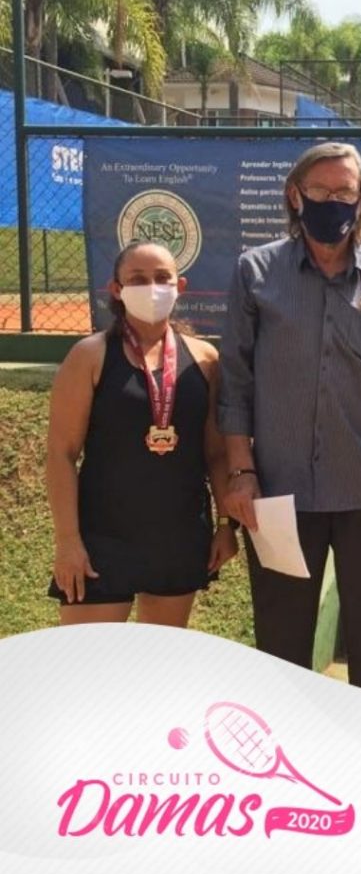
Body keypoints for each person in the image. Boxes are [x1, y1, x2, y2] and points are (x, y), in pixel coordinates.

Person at [218, 141, 361, 696]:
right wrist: (241, 472)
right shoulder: (256, 272)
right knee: (281, 641)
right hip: (278, 493)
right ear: (295, 195)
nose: (333, 201)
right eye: (320, 190)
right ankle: (287, 744)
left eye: (345, 191)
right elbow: (235, 381)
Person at [46, 240, 237, 625]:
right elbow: (61, 454)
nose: (152, 287)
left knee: (161, 660)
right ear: (116, 289)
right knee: (88, 660)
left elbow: (217, 454)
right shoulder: (90, 355)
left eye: (162, 278)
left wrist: (224, 526)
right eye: (137, 279)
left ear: (180, 286)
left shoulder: (206, 359)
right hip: (103, 540)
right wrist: (68, 542)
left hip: (179, 537)